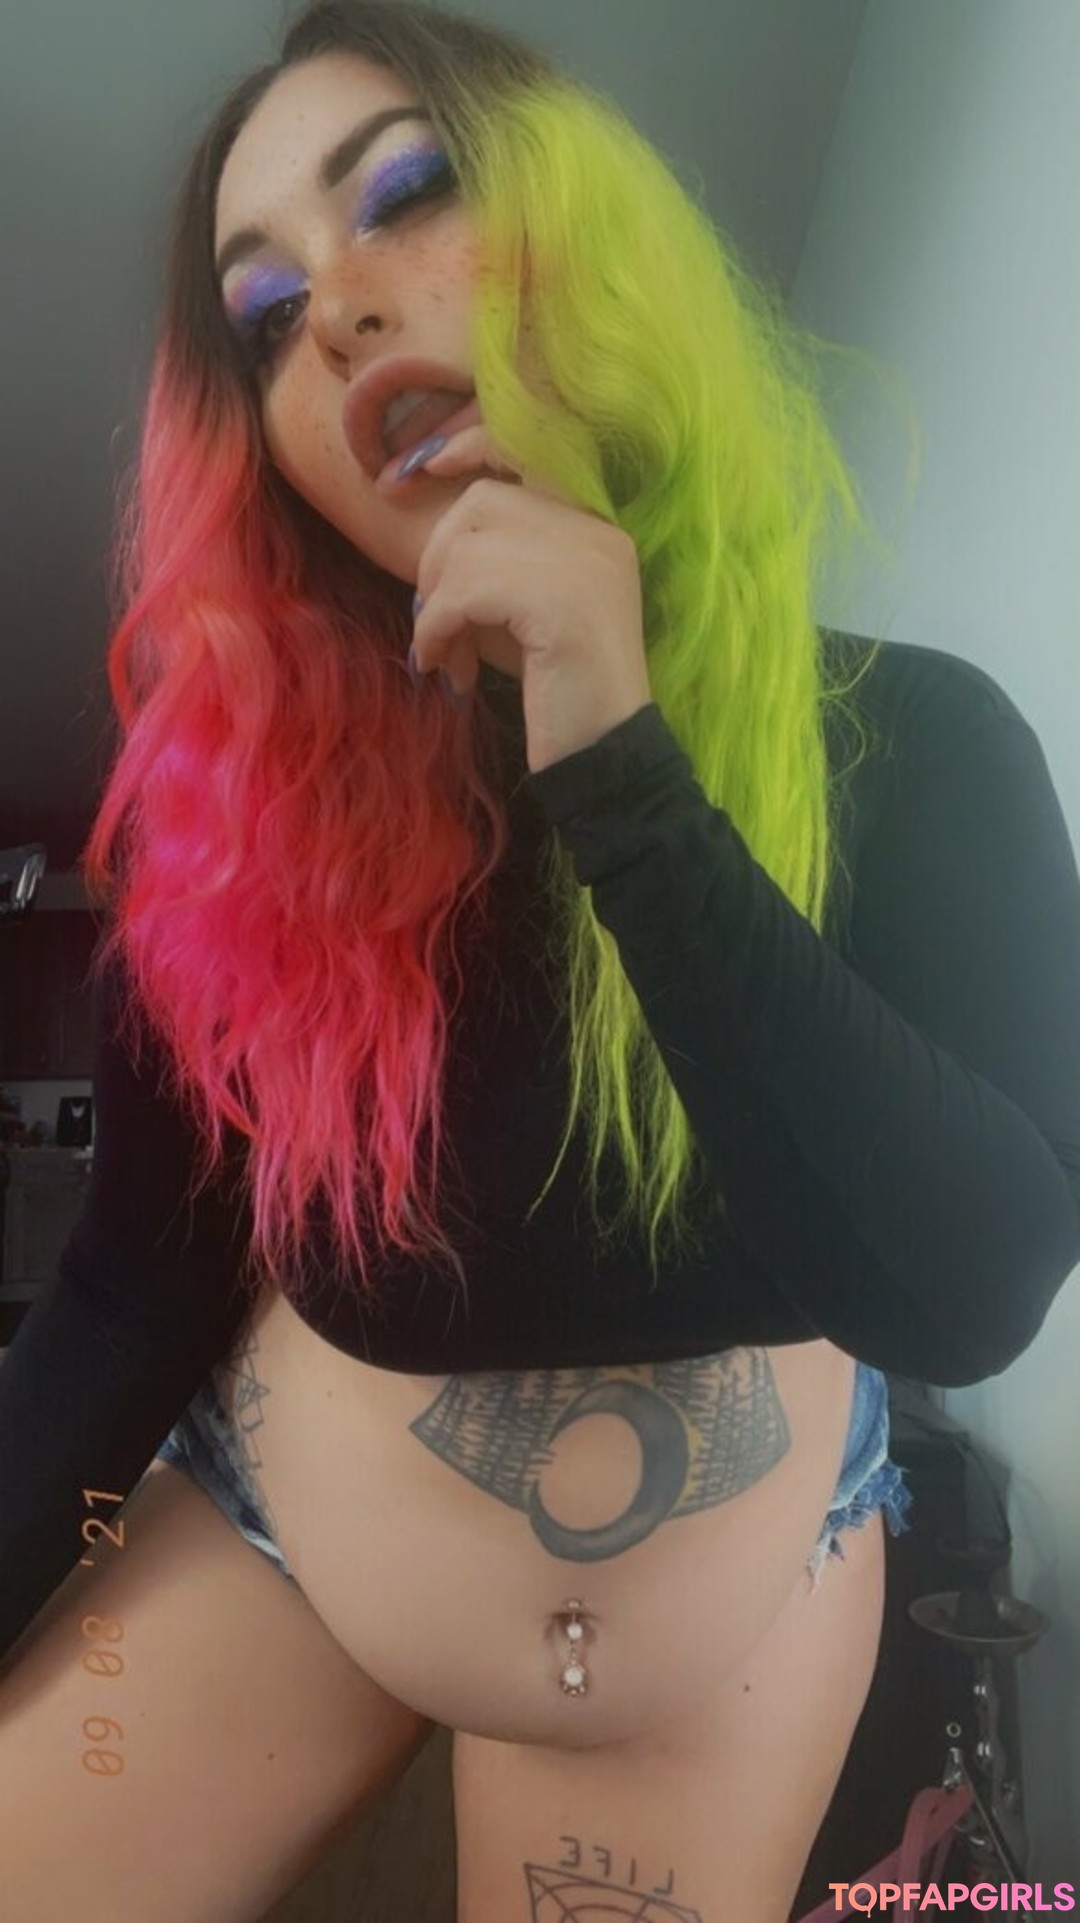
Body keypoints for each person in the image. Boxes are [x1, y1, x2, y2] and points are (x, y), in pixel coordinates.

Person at [2, 3, 1079, 1917]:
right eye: (268, 315)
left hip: (712, 1646)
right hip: (279, 1555)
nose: (339, 311)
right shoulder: (235, 841)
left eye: (407, 193)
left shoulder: (919, 751)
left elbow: (974, 1291)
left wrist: (625, 775)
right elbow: (126, 1294)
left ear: (595, 234)